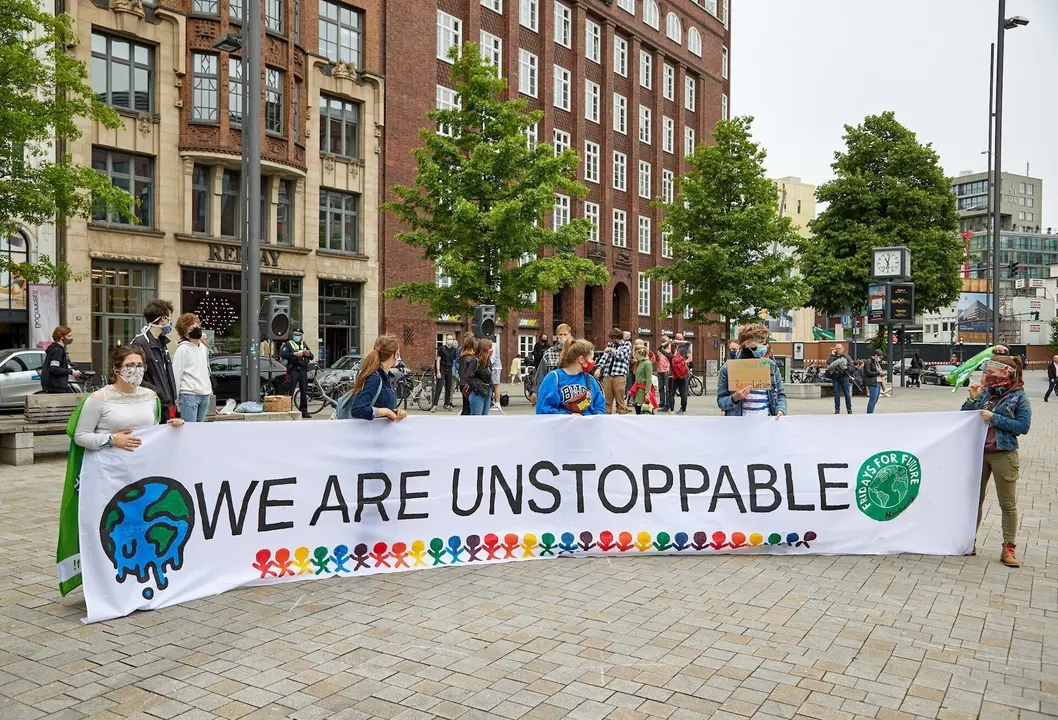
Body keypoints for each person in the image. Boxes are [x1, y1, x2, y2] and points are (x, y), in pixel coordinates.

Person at [961, 356, 1031, 567]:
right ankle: (968, 542)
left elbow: (1023, 426)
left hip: (1004, 453)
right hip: (979, 453)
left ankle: (1008, 548)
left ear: (1008, 373)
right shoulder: (985, 394)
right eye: (989, 370)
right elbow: (963, 418)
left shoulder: (1019, 397)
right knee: (974, 500)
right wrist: (972, 399)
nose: (990, 374)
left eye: (995, 371)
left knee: (1007, 503)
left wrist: (994, 417)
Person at [716, 323, 786, 418]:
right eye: (761, 342)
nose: (765, 346)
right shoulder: (728, 369)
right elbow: (721, 401)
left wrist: (780, 410)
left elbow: (781, 394)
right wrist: (735, 397)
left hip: (766, 424)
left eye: (765, 342)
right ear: (747, 343)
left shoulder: (770, 366)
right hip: (740, 425)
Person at [130, 299, 178, 420]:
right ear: (163, 319)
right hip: (153, 404)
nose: (170, 322)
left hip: (168, 405)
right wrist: (157, 392)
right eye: (168, 318)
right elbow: (135, 377)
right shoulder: (141, 343)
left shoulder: (162, 343)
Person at [341, 335, 407, 422]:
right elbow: (358, 410)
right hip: (370, 433)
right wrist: (386, 412)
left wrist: (394, 412)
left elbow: (379, 404)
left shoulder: (385, 377)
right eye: (398, 354)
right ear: (395, 355)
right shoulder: (374, 378)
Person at [535, 339, 606, 415]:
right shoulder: (554, 378)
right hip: (562, 426)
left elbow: (600, 407)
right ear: (581, 359)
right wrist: (568, 417)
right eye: (591, 358)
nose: (593, 362)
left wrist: (594, 418)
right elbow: (543, 409)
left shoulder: (590, 380)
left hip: (587, 426)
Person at [172, 313, 212, 422]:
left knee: (199, 431)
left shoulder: (203, 348)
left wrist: (209, 389)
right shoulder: (182, 350)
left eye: (196, 326)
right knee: (189, 431)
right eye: (191, 328)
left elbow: (206, 370)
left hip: (204, 394)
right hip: (189, 395)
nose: (196, 329)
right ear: (185, 333)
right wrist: (176, 400)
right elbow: (176, 374)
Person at [530, 324, 571, 403]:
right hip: (553, 392)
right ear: (557, 336)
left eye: (565, 334)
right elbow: (541, 373)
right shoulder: (549, 353)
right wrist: (535, 391)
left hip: (570, 392)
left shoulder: (574, 351)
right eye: (560, 334)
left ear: (570, 335)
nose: (563, 337)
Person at [595, 327, 631, 414]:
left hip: (619, 375)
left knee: (620, 400)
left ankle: (621, 415)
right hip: (607, 374)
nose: (612, 340)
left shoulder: (627, 344)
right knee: (607, 400)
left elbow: (621, 356)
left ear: (617, 337)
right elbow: (605, 357)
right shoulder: (611, 344)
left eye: (613, 338)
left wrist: (611, 350)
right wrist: (599, 368)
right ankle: (607, 415)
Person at [280, 328, 314, 418]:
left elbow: (312, 356)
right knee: (290, 390)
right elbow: (283, 355)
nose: (297, 336)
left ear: (302, 335)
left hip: (303, 370)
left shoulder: (304, 344)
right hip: (294, 370)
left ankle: (304, 410)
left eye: (299, 335)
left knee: (304, 391)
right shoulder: (288, 344)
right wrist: (294, 354)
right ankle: (288, 409)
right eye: (295, 334)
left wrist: (308, 354)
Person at [41, 325, 81, 393]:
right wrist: (71, 372)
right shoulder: (58, 350)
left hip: (52, 385)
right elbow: (54, 368)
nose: (71, 338)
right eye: (69, 336)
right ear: (61, 337)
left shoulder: (54, 349)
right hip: (56, 387)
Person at [661, 334, 692, 414]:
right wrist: (679, 341)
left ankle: (671, 410)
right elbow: (689, 343)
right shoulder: (682, 351)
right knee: (683, 393)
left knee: (671, 393)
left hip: (672, 375)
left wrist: (667, 342)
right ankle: (683, 409)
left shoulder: (669, 355)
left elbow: (659, 348)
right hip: (682, 375)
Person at [430, 334, 458, 412]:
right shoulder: (441, 349)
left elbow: (455, 360)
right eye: (449, 339)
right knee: (439, 387)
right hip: (442, 368)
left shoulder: (453, 350)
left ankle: (447, 404)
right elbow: (438, 360)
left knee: (448, 388)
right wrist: (438, 371)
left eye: (451, 339)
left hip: (449, 369)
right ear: (446, 340)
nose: (450, 341)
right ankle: (434, 405)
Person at [467, 339, 495, 416]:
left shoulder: (488, 362)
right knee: (476, 418)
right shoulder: (475, 361)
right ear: (485, 349)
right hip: (478, 394)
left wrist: (492, 389)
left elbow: (489, 377)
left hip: (487, 392)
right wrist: (476, 388)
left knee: (485, 418)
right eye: (490, 348)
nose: (491, 350)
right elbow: (469, 377)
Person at [826, 343, 853, 414]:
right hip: (836, 377)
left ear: (843, 349)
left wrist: (846, 368)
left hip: (844, 377)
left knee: (847, 394)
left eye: (839, 348)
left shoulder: (846, 357)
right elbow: (828, 363)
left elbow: (852, 367)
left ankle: (849, 409)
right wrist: (832, 355)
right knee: (836, 394)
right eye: (837, 348)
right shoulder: (833, 357)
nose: (838, 350)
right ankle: (837, 409)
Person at [630, 344, 655, 415]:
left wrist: (647, 393)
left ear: (637, 353)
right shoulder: (639, 363)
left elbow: (649, 379)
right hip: (637, 389)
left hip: (643, 390)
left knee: (646, 410)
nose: (633, 354)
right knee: (638, 409)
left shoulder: (647, 363)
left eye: (634, 352)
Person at [458, 335, 477, 416]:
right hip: (468, 384)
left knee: (465, 406)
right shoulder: (471, 358)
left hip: (462, 383)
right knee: (469, 407)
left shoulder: (462, 356)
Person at [864, 348, 883, 414]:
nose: (880, 359)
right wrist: (878, 373)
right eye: (879, 357)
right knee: (873, 399)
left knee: (875, 399)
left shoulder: (876, 362)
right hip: (872, 382)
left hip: (877, 381)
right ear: (875, 355)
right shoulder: (869, 361)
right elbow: (868, 372)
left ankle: (871, 412)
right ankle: (869, 413)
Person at [654, 343, 670, 412]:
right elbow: (657, 359)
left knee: (667, 387)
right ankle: (662, 402)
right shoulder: (660, 350)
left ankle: (667, 403)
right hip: (659, 370)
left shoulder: (669, 350)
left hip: (666, 370)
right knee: (660, 387)